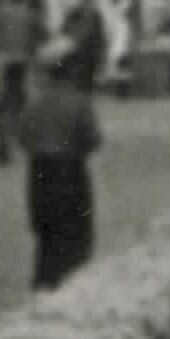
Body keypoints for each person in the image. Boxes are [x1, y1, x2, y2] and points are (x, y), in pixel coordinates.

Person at [18, 41, 106, 292]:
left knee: (46, 227)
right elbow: (92, 139)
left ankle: (46, 275)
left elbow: (23, 138)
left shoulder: (35, 103)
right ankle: (73, 278)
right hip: (71, 168)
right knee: (76, 227)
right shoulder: (79, 102)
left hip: (41, 168)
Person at [0, 0, 44, 162]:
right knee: (22, 98)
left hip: (2, 60)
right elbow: (42, 35)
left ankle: (3, 140)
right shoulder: (30, 14)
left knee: (3, 100)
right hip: (23, 60)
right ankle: (22, 134)